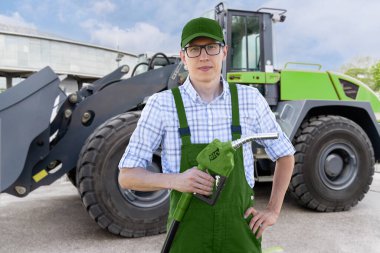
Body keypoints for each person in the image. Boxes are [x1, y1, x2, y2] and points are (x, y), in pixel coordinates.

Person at [118, 17, 295, 253]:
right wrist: (176, 180)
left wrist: (273, 210)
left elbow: (285, 154)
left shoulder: (250, 99)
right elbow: (127, 176)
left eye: (211, 47)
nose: (203, 56)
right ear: (183, 56)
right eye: (194, 49)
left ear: (224, 52)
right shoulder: (162, 105)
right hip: (187, 234)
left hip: (240, 234)